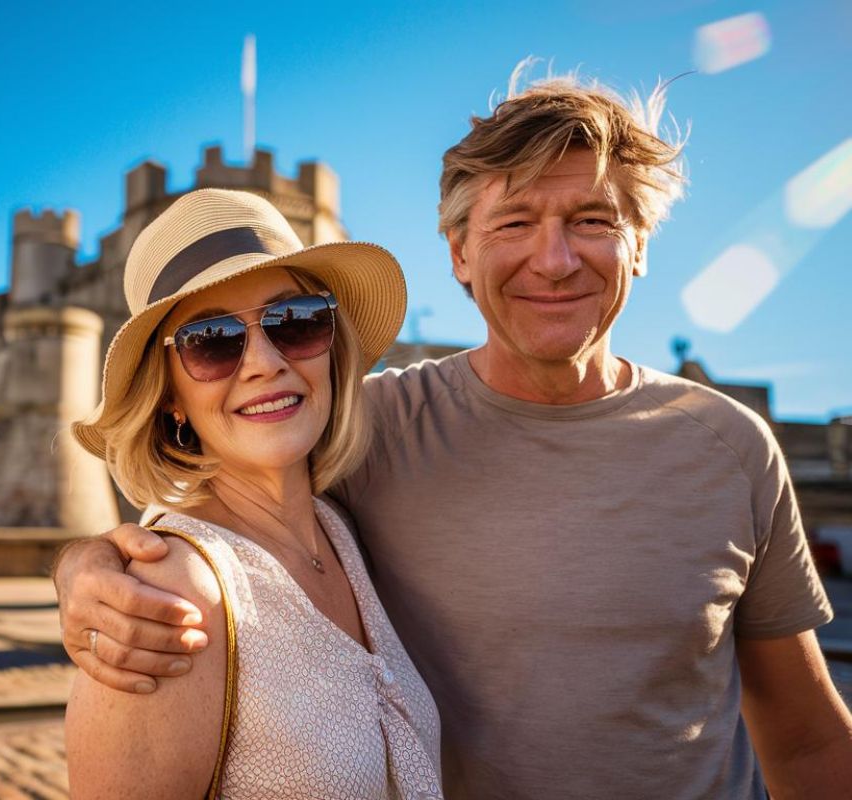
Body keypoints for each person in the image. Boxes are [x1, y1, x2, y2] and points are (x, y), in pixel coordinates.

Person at [56, 66, 852, 798]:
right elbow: (218, 525)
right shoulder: (377, 430)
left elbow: (808, 739)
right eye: (513, 223)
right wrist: (87, 569)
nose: (554, 259)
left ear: (638, 244)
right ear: (459, 253)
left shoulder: (732, 445)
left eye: (591, 219)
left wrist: (87, 567)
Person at [63, 188, 443, 799]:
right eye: (211, 340)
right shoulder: (168, 595)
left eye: (294, 321)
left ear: (332, 346)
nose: (264, 362)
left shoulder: (341, 528)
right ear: (169, 395)